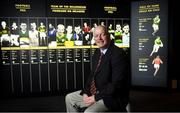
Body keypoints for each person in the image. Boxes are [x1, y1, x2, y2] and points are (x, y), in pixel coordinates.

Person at [65, 25, 130, 112]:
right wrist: (85, 92)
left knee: (89, 112)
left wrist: (95, 97)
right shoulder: (97, 53)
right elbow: (92, 76)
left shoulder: (118, 54)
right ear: (94, 39)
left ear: (109, 36)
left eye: (102, 35)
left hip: (112, 97)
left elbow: (116, 84)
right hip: (97, 91)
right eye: (96, 36)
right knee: (69, 98)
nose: (99, 38)